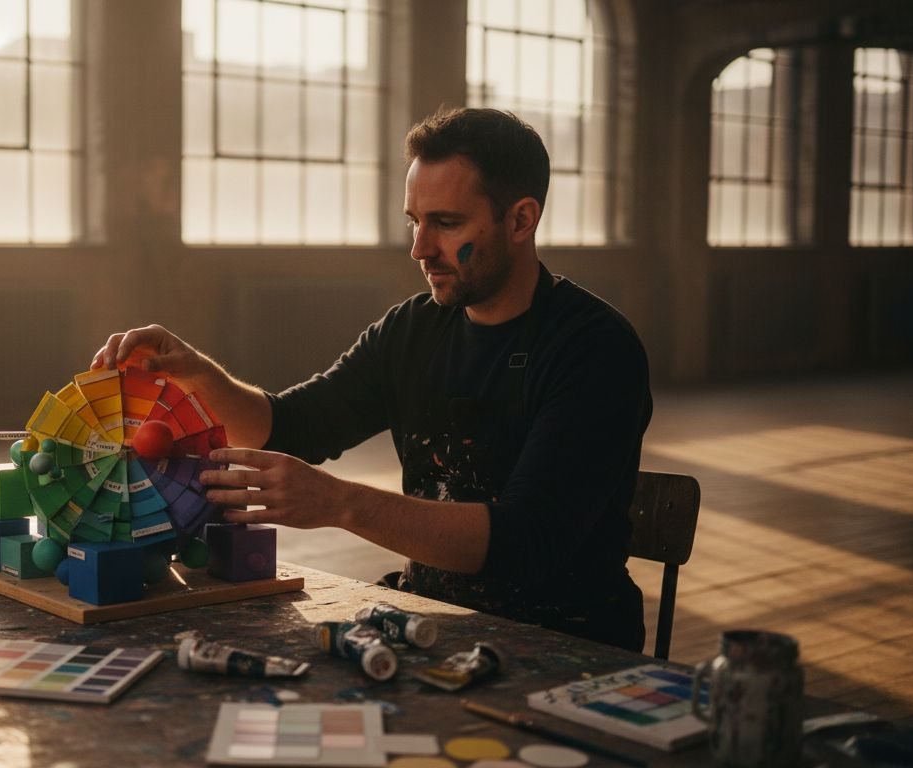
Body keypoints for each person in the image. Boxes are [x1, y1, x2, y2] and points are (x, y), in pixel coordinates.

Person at [92, 107, 652, 651]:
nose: (419, 249)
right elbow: (293, 426)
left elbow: (526, 542)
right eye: (415, 221)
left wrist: (341, 504)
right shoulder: (413, 330)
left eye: (447, 223)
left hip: (565, 647)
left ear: (522, 219)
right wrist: (197, 372)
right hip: (436, 628)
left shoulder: (594, 350)